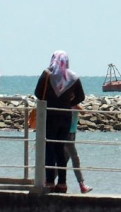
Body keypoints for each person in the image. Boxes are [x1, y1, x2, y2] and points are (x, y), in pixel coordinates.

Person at [34, 50, 86, 193]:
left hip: (50, 114)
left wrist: (50, 100)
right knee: (60, 149)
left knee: (49, 147)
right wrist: (68, 103)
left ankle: (50, 181)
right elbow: (81, 97)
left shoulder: (47, 74)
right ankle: (62, 183)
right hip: (65, 116)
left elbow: (37, 93)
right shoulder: (73, 77)